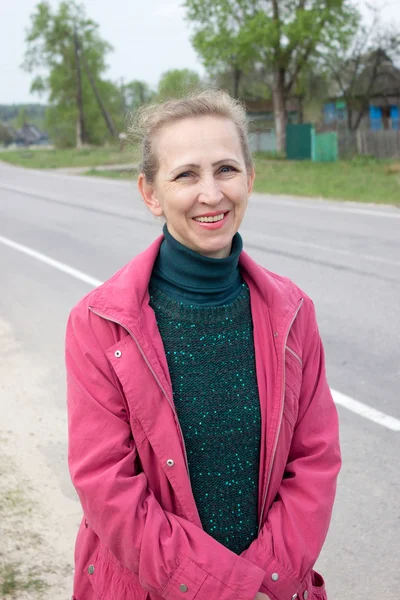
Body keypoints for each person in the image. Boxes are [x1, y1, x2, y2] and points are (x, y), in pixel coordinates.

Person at [65, 90, 341, 600]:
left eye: (226, 170)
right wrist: (224, 589)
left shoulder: (294, 312)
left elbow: (315, 462)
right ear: (150, 193)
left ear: (250, 179)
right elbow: (107, 485)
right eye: (186, 174)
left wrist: (265, 581)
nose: (211, 194)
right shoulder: (99, 324)